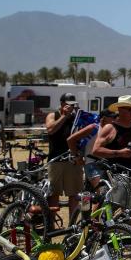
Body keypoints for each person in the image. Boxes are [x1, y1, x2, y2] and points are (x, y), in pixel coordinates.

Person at [45, 92, 83, 222]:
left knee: (74, 194)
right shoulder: (53, 115)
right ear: (62, 104)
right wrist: (63, 117)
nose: (71, 108)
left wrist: (80, 116)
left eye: (73, 105)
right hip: (55, 160)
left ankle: (72, 224)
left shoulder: (76, 118)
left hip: (72, 160)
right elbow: (50, 130)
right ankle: (51, 224)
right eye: (68, 105)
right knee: (53, 193)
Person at [93, 95, 131, 176]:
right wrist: (119, 153)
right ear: (120, 110)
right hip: (114, 176)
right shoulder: (110, 128)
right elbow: (96, 150)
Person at [70, 109, 116, 188]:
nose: (114, 120)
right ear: (104, 118)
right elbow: (71, 140)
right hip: (91, 164)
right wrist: (76, 157)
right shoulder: (94, 127)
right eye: (112, 117)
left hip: (106, 165)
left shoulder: (111, 130)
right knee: (102, 191)